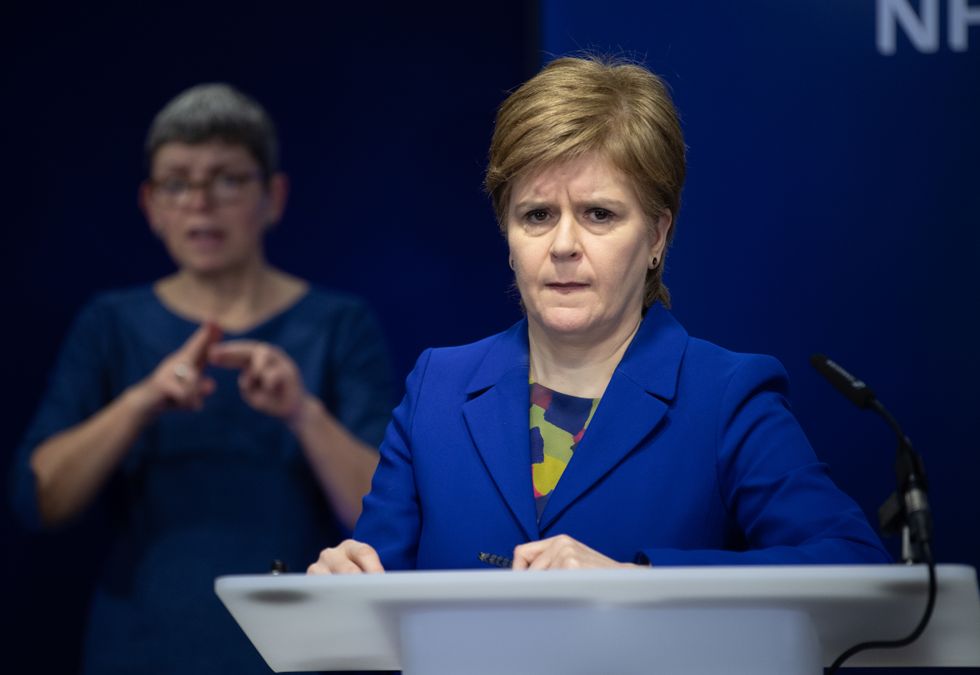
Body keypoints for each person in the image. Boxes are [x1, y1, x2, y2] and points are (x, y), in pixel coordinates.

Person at [308, 55, 889, 575]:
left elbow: (853, 563)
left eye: (598, 214)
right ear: (507, 235)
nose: (562, 245)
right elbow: (379, 595)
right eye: (536, 215)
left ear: (658, 235)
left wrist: (635, 583)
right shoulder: (438, 386)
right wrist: (348, 582)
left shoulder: (725, 396)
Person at [10, 84, 393, 673]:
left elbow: (386, 516)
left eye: (228, 179)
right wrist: (140, 401)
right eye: (177, 183)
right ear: (151, 205)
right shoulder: (110, 324)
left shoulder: (339, 324)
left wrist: (302, 412)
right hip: (142, 647)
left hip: (301, 650)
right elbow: (38, 500)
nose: (200, 202)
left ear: (274, 197)